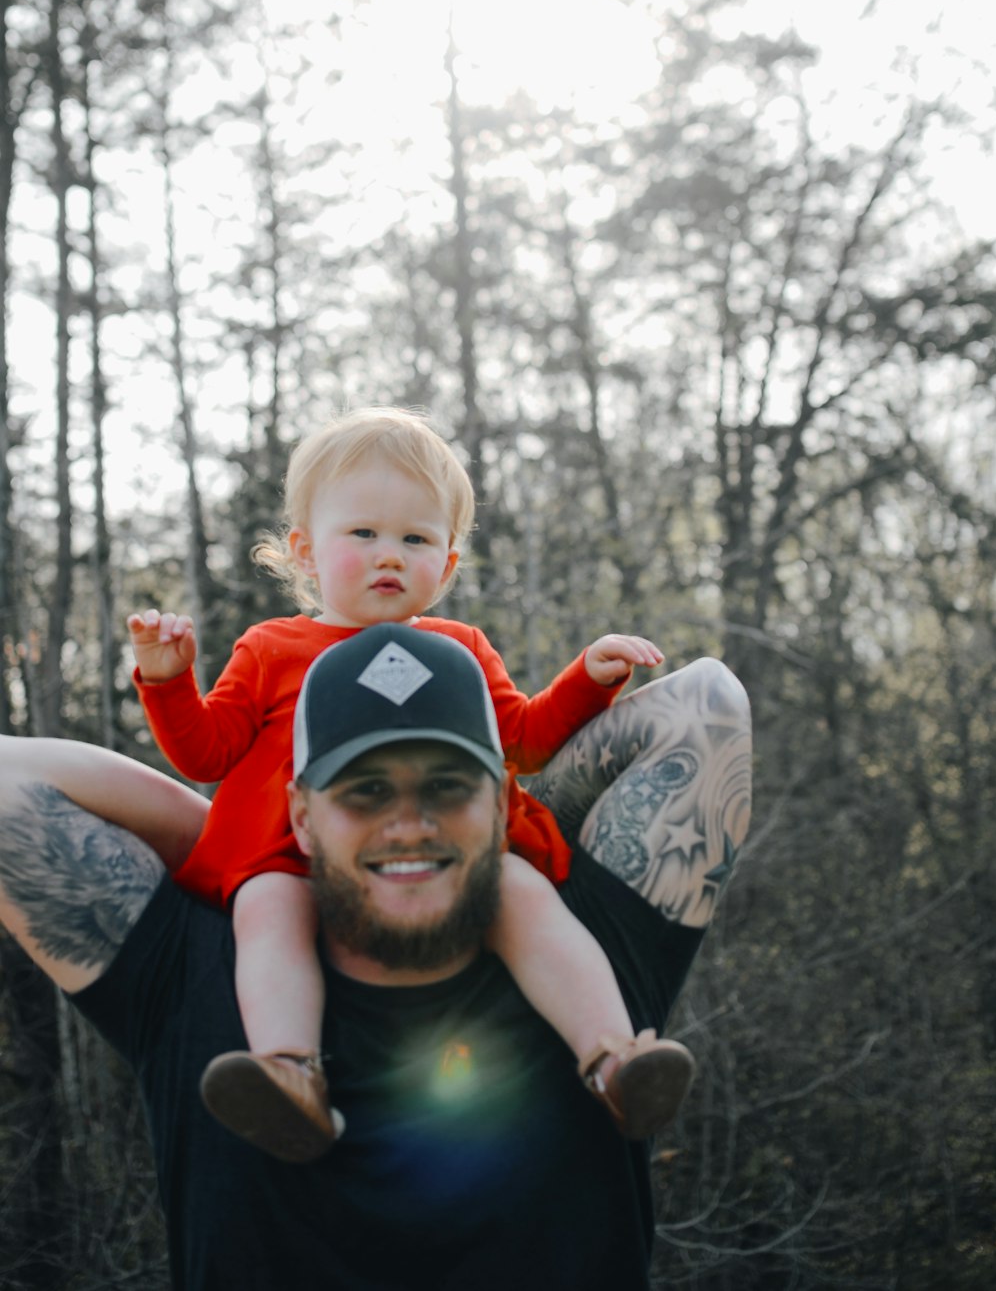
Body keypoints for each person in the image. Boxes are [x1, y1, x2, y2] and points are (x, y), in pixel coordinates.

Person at [0, 624, 752, 1291]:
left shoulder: (586, 955)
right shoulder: (199, 975)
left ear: (497, 805)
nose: (410, 823)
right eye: (363, 791)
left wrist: (480, 832)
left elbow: (707, 702)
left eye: (449, 785)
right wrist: (232, 846)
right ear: (300, 811)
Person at [123, 407, 691, 1162]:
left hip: (449, 857)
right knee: (264, 911)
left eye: (415, 539)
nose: (388, 555)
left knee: (523, 895)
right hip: (289, 854)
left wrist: (586, 681)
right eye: (363, 534)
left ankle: (615, 1058)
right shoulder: (271, 647)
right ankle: (292, 1075)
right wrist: (167, 682)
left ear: (447, 564)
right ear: (307, 551)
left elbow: (518, 741)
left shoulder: (460, 648)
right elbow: (208, 752)